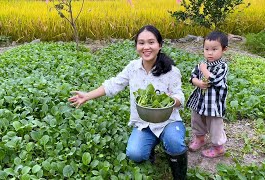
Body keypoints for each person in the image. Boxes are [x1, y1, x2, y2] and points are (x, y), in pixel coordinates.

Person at [68, 25, 187, 179]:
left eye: (151, 42)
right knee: (135, 154)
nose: (146, 47)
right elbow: (113, 84)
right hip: (143, 123)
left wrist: (170, 101)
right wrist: (87, 96)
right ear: (136, 46)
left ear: (160, 45)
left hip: (168, 120)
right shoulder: (133, 68)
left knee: (174, 142)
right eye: (141, 43)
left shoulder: (171, 71)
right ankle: (151, 147)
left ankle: (180, 175)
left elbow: (180, 96)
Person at [186, 31, 229, 158]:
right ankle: (199, 139)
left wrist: (204, 70)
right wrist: (196, 82)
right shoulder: (201, 64)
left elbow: (214, 80)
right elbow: (193, 76)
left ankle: (218, 147)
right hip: (200, 101)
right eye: (207, 49)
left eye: (214, 49)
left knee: (215, 125)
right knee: (197, 120)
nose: (210, 53)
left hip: (214, 104)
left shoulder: (222, 66)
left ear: (224, 49)